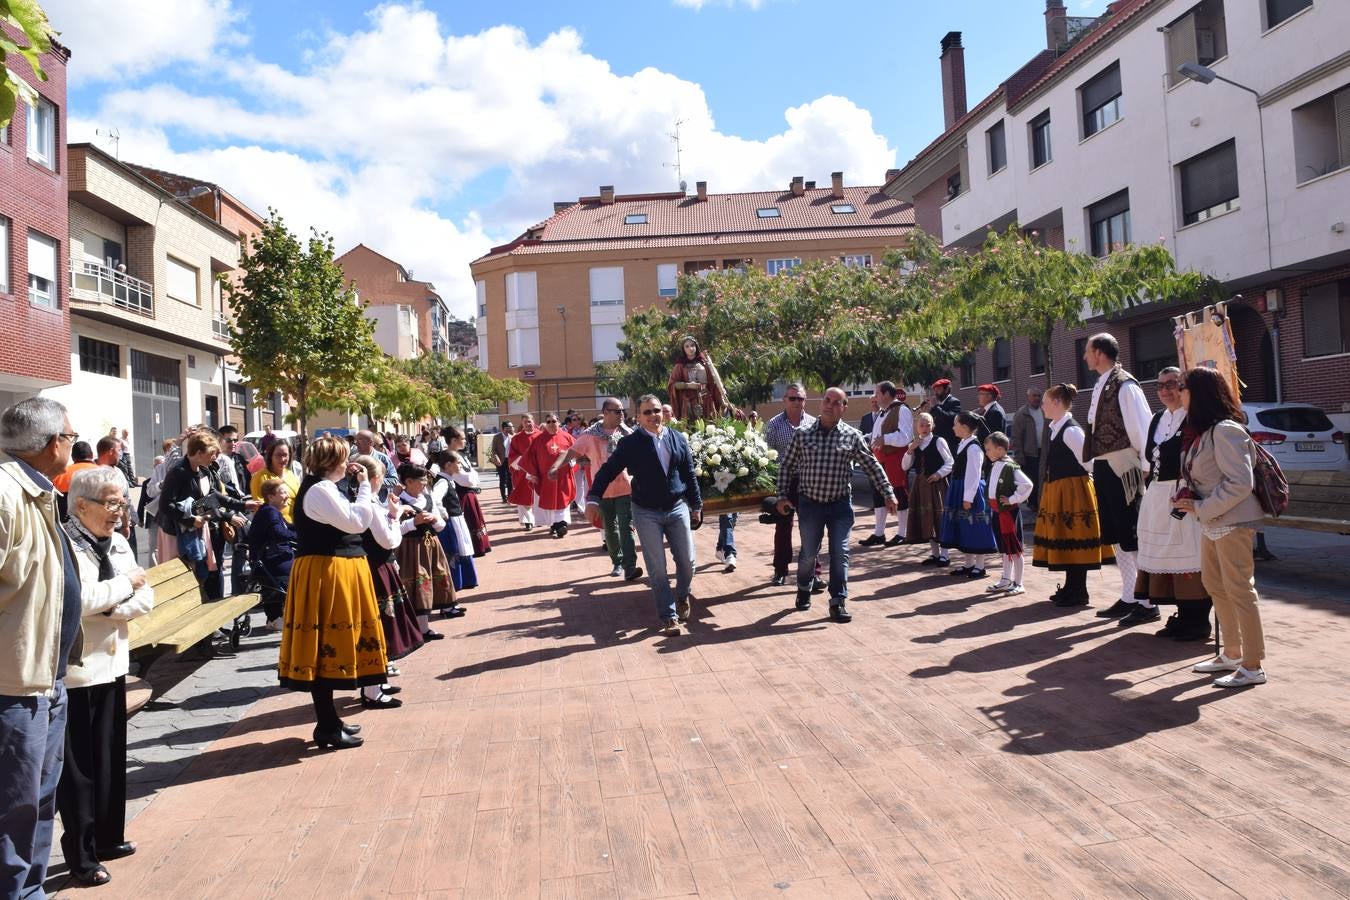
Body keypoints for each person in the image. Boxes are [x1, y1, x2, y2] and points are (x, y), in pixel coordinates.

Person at [55, 467, 155, 888]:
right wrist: (122, 588)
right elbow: (79, 599)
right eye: (111, 504)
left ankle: (109, 837)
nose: (119, 512)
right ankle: (80, 856)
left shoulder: (116, 542)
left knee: (110, 759)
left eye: (121, 503)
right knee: (78, 772)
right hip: (77, 672)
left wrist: (115, 605)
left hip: (113, 664)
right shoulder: (65, 543)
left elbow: (145, 595)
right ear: (81, 505)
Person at [0, 398, 82, 898]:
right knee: (13, 807)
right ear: (55, 443)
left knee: (39, 801)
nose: (73, 445)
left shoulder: (39, 492)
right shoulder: (7, 496)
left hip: (45, 680)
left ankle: (31, 891)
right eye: (71, 437)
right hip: (14, 686)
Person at [278, 437, 392, 749]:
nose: (348, 464)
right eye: (343, 459)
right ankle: (326, 725)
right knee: (325, 644)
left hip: (334, 570)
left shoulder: (326, 488)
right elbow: (357, 522)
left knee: (328, 643)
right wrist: (366, 485)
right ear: (332, 462)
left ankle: (330, 721)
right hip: (325, 573)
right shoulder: (319, 489)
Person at [1173, 367, 1269, 687]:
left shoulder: (1226, 430)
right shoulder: (1203, 431)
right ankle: (1232, 653)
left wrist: (1200, 506)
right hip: (1213, 521)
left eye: (1182, 387)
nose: (1177, 393)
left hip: (1231, 521)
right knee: (1216, 586)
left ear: (1198, 393)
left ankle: (1253, 665)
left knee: (1240, 589)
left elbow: (1240, 483)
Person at [775, 388, 896, 623]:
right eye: (827, 401)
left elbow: (872, 466)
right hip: (810, 504)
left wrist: (888, 493)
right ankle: (803, 587)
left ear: (844, 407)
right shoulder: (802, 434)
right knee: (809, 554)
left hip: (840, 505)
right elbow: (786, 466)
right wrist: (781, 496)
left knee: (840, 553)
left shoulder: (852, 436)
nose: (829, 405)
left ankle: (838, 601)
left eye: (836, 402)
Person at [585, 394, 702, 635]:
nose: (653, 416)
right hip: (646, 510)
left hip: (677, 506)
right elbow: (608, 471)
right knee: (657, 566)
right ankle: (669, 616)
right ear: (638, 417)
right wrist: (594, 498)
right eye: (647, 412)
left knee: (688, 561)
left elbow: (689, 473)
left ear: (663, 413)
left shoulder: (677, 438)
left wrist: (696, 505)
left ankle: (682, 595)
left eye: (656, 410)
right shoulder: (630, 443)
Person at [1133, 367, 1212, 639]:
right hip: (1157, 496)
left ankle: (1199, 620)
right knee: (1165, 558)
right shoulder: (1157, 419)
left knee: (1189, 557)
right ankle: (1182, 614)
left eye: (1172, 384)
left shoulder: (1194, 418)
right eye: (1160, 385)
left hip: (1183, 495)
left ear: (1184, 388)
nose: (1165, 390)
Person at [1082, 332, 1154, 623]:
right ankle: (1129, 595)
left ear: (1099, 352)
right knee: (1115, 534)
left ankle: (1148, 602)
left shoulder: (1125, 385)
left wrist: (1146, 465)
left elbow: (1142, 427)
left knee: (1132, 534)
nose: (1085, 356)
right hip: (1104, 466)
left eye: (1088, 351)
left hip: (1124, 468)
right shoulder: (1102, 383)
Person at [1032, 383, 1112, 607]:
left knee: (1075, 537)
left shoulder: (1070, 430)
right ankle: (1070, 587)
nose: (1043, 407)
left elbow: (1089, 462)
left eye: (1045, 403)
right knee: (1065, 539)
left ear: (1057, 403)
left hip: (1073, 490)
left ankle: (1079, 590)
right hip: (1060, 488)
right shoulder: (1057, 427)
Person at [159, 432, 258, 601]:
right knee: (181, 579)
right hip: (175, 534)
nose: (214, 458)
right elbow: (165, 505)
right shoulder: (178, 472)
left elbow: (214, 497)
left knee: (199, 577)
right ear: (198, 453)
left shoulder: (204, 470)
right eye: (211, 454)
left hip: (196, 530)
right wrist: (190, 520)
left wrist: (243, 505)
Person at [553, 399, 642, 581]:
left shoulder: (628, 433)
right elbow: (570, 452)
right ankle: (617, 562)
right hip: (601, 491)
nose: (621, 414)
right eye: (617, 411)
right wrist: (555, 467)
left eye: (622, 411)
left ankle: (630, 566)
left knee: (627, 528)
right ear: (606, 412)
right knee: (610, 529)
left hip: (625, 487)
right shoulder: (590, 435)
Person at [351, 455, 421, 678]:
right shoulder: (368, 504)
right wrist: (396, 514)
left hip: (377, 563)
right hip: (377, 566)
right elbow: (389, 540)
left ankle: (380, 663)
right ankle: (379, 663)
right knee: (383, 616)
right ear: (376, 478)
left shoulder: (363, 501)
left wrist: (393, 513)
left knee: (384, 615)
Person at [763, 384, 820, 587]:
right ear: (784, 400)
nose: (797, 402)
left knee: (811, 527)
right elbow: (765, 456)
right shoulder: (773, 425)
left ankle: (813, 572)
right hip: (785, 481)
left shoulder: (815, 423)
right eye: (793, 398)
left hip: (809, 482)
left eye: (801, 398)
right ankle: (780, 570)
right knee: (783, 527)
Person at [397, 463, 460, 634]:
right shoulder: (398, 501)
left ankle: (439, 614)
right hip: (411, 548)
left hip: (431, 544)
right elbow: (395, 529)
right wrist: (413, 523)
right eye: (421, 481)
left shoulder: (427, 498)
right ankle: (421, 628)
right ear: (408, 482)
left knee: (435, 578)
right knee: (418, 584)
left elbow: (440, 526)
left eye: (425, 481)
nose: (425, 484)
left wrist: (433, 518)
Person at [939, 412, 999, 578]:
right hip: (960, 488)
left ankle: (980, 566)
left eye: (955, 424)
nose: (953, 427)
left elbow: (974, 474)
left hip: (970, 490)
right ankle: (969, 564)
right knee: (964, 527)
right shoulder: (963, 443)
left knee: (976, 527)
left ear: (964, 427)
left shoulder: (973, 448)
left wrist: (968, 497)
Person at [861, 381, 912, 547]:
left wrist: (885, 439)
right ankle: (879, 533)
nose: (875, 397)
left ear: (886, 394)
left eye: (877, 393)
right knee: (878, 495)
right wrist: (866, 438)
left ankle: (902, 533)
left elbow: (905, 437)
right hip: (880, 459)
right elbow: (877, 435)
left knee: (899, 494)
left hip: (895, 459)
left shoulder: (901, 410)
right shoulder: (884, 412)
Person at [983, 432, 1033, 594]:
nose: (987, 452)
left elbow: (1027, 485)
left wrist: (1012, 499)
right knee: (1004, 548)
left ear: (999, 449)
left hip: (1009, 515)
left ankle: (1018, 583)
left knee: (1015, 548)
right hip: (997, 512)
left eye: (989, 449)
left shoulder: (1010, 467)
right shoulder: (996, 464)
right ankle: (1006, 579)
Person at [903, 412, 953, 566]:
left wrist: (939, 474)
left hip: (937, 484)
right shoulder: (914, 443)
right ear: (917, 427)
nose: (924, 428)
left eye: (928, 425)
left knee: (939, 519)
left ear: (933, 426)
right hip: (920, 485)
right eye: (921, 425)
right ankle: (935, 554)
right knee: (927, 519)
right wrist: (910, 450)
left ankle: (945, 555)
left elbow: (950, 462)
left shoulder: (939, 441)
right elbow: (905, 466)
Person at [248, 479, 297, 630]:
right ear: (270, 496)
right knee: (298, 569)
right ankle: (276, 617)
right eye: (282, 492)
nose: (287, 495)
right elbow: (279, 533)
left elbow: (288, 528)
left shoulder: (272, 511)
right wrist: (298, 535)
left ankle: (275, 617)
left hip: (271, 557)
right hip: (268, 560)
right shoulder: (269, 511)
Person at [520, 413, 576, 538]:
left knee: (562, 500)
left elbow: (576, 453)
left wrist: (571, 462)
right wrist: (532, 474)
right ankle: (555, 525)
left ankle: (561, 524)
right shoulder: (538, 440)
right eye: (548, 422)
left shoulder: (567, 437)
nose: (551, 424)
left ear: (558, 422)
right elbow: (530, 458)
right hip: (546, 478)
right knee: (549, 502)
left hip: (563, 477)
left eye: (554, 421)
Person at [431, 451, 479, 591]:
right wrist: (443, 512)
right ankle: (456, 581)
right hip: (451, 521)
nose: (460, 465)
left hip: (457, 518)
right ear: (448, 465)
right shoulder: (442, 482)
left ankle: (465, 579)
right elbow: (435, 498)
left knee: (462, 547)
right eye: (458, 462)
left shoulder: (449, 480)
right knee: (455, 549)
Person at [443, 426, 491, 557]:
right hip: (460, 496)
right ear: (453, 440)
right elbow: (465, 480)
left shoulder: (462, 455)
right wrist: (472, 479)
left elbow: (474, 476)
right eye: (463, 438)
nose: (465, 441)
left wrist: (473, 479)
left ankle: (478, 546)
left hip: (470, 495)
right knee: (465, 525)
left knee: (475, 522)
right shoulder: (447, 457)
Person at [250, 439, 303, 522]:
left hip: (296, 525)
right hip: (274, 525)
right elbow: (260, 507)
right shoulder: (260, 477)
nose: (282, 459)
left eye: (285, 455)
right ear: (270, 456)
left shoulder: (291, 474)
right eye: (278, 455)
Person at [1010, 388, 1045, 510]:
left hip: (1044, 452)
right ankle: (1033, 504)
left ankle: (1043, 503)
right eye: (1034, 395)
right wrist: (1020, 457)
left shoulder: (1045, 410)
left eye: (1039, 395)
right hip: (1030, 454)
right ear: (1028, 397)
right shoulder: (1021, 414)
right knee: (1033, 480)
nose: (1037, 398)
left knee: (1044, 479)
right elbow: (1016, 438)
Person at [507, 415, 541, 530]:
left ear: (533, 421)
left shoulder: (540, 435)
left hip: (538, 471)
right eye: (525, 422)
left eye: (529, 421)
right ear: (522, 423)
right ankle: (527, 521)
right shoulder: (517, 438)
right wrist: (525, 463)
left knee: (538, 496)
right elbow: (512, 456)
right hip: (522, 472)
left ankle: (538, 518)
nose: (528, 424)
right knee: (523, 495)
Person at [354, 430, 400, 496]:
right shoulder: (353, 459)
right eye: (356, 440)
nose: (356, 443)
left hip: (378, 501)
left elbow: (394, 481)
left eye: (360, 440)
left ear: (371, 442)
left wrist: (373, 481)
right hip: (359, 500)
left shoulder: (383, 459)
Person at [923, 378, 962, 450]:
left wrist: (935, 406)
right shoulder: (938, 404)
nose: (936, 392)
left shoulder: (954, 402)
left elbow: (949, 418)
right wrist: (925, 412)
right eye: (935, 390)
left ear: (946, 389)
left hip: (949, 442)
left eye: (938, 389)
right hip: (938, 441)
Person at [489, 422, 514, 503]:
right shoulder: (497, 437)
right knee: (502, 479)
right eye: (509, 427)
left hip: (510, 461)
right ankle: (504, 497)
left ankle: (510, 496)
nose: (511, 428)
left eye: (511, 427)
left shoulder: (513, 436)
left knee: (510, 479)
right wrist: (496, 458)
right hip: (501, 461)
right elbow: (493, 450)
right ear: (504, 428)